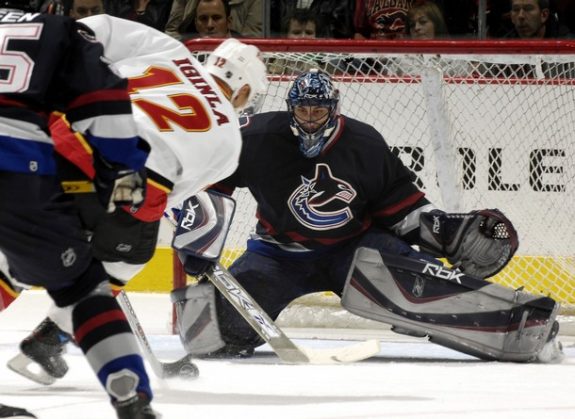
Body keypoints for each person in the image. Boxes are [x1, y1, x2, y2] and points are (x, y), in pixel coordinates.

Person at [171, 69, 562, 364]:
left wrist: (444, 231)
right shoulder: (256, 137)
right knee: (207, 335)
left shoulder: (364, 143)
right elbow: (211, 180)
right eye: (303, 110)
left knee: (424, 290)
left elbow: (401, 206)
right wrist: (200, 232)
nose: (310, 118)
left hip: (354, 249)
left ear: (334, 109)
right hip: (277, 256)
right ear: (291, 109)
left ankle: (524, 326)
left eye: (318, 110)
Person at [4, 14, 268, 385]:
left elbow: (98, 28)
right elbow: (169, 193)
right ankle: (52, 339)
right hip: (134, 179)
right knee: (126, 256)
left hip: (66, 138)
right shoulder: (230, 144)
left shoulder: (171, 51)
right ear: (242, 91)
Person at [0, 1, 157, 418]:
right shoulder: (57, 29)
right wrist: (122, 171)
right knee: (81, 289)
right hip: (14, 165)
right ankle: (130, 393)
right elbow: (103, 104)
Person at [165, 0, 262, 39]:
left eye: (216, 18)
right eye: (203, 19)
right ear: (195, 22)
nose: (210, 25)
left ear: (229, 21)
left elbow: (251, 40)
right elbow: (172, 30)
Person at [504, 0, 569, 38]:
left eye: (528, 9)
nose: (520, 16)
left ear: (544, 15)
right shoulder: (503, 46)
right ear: (511, 17)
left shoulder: (568, 43)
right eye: (516, 9)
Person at [103, 0, 174, 31]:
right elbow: (114, 24)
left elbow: (154, 30)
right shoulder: (116, 2)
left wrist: (141, 9)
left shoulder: (161, 3)